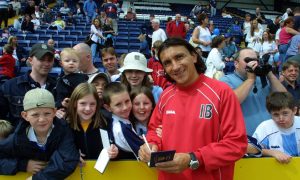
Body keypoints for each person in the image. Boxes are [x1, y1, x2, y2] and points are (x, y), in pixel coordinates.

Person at [138, 38, 247, 180]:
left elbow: (236, 144)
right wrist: (151, 145)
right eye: (167, 63)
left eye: (179, 57)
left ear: (194, 56)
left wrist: (193, 158)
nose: (175, 66)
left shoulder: (221, 92)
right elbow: (154, 130)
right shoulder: (166, 95)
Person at [0, 88, 79, 177]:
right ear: (25, 116)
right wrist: (23, 165)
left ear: (54, 112)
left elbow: (68, 160)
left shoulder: (63, 131)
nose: (41, 120)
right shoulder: (17, 139)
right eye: (35, 115)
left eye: (47, 113)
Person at [220, 48, 287, 135]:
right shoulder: (226, 80)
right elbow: (232, 101)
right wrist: (251, 79)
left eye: (256, 60)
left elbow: (284, 98)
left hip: (272, 133)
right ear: (236, 63)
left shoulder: (263, 78)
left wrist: (269, 74)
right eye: (248, 60)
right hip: (248, 137)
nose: (253, 63)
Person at [0, 43, 56, 126]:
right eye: (42, 59)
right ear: (30, 60)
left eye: (49, 60)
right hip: (19, 138)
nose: (46, 63)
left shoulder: (59, 86)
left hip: (53, 138)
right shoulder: (10, 86)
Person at [67, 83, 118, 163]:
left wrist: (114, 152)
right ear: (74, 103)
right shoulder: (65, 125)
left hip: (102, 173)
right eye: (83, 103)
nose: (88, 108)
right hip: (77, 173)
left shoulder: (105, 122)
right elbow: (60, 150)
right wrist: (70, 155)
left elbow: (113, 146)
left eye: (92, 104)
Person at [252, 92, 300, 164]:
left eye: (285, 113)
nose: (281, 118)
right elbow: (250, 149)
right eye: (276, 114)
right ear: (269, 113)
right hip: (275, 171)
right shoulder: (265, 127)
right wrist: (272, 152)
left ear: (294, 110)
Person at [103, 82, 144, 160]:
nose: (125, 107)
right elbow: (144, 151)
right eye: (118, 104)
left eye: (127, 101)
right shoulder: (121, 128)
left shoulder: (118, 121)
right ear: (108, 108)